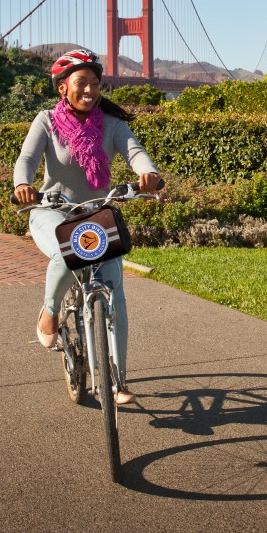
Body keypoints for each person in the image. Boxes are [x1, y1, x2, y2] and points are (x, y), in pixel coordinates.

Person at [13, 48, 162, 404]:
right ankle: (49, 314)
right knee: (70, 252)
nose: (90, 91)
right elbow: (27, 160)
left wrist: (148, 173)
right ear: (63, 87)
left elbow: (135, 152)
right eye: (81, 83)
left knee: (116, 294)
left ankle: (118, 378)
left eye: (95, 84)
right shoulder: (46, 121)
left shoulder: (111, 123)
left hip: (97, 215)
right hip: (53, 211)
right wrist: (22, 185)